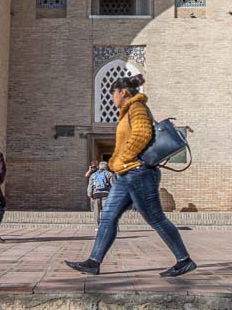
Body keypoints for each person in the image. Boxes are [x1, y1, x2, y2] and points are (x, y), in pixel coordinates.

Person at [65, 74, 196, 277]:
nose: (112, 99)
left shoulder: (137, 108)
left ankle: (184, 260)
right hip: (127, 176)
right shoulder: (127, 112)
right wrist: (120, 165)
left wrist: (120, 160)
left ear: (123, 92)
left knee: (156, 218)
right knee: (108, 216)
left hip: (139, 173)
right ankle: (93, 262)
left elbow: (142, 134)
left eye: (113, 94)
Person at [85, 161, 115, 226]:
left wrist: (90, 195)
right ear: (106, 167)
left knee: (96, 211)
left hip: (96, 195)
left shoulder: (93, 175)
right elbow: (114, 185)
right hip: (106, 194)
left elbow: (90, 186)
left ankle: (97, 226)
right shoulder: (109, 174)